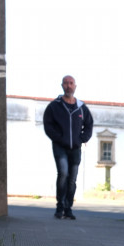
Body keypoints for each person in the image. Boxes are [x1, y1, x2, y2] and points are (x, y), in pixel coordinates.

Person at [43, 75, 93, 219]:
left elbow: (89, 125)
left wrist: (82, 139)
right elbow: (48, 125)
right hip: (60, 147)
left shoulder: (81, 107)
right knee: (63, 173)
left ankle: (68, 207)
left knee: (72, 179)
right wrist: (59, 139)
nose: (69, 86)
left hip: (75, 149)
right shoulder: (54, 106)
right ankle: (60, 207)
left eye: (71, 83)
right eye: (66, 83)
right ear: (62, 85)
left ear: (75, 86)